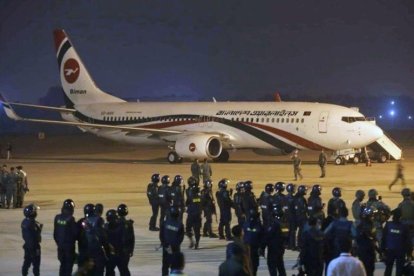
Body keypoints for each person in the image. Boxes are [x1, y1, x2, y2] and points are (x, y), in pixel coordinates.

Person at [382, 208, 412, 276]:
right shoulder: (404, 227)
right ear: (401, 217)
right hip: (401, 251)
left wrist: (382, 251)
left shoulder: (388, 225)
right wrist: (409, 254)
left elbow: (383, 239)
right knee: (399, 270)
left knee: (388, 268)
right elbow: (408, 242)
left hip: (389, 250)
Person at [54, 199, 77, 276]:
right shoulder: (71, 219)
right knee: (68, 267)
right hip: (69, 248)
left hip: (60, 247)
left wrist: (59, 243)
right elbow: (75, 233)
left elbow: (55, 233)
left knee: (62, 266)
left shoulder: (57, 218)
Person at [263, 205, 288, 276]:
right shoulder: (285, 224)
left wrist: (262, 246)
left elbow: (268, 236)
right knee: (280, 266)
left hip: (273, 249)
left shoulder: (274, 224)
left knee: (272, 266)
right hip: (281, 248)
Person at [160, 206, 184, 276]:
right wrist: (176, 245)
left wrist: (164, 244)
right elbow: (181, 237)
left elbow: (161, 235)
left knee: (165, 265)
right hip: (175, 248)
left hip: (167, 247)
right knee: (174, 265)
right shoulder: (180, 224)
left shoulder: (164, 223)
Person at [105, 208, 129, 276]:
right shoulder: (122, 227)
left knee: (109, 271)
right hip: (120, 253)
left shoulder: (105, 227)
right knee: (124, 271)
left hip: (110, 254)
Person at [21, 203, 42, 276]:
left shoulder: (25, 221)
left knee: (26, 262)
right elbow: (34, 236)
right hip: (33, 247)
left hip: (27, 246)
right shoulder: (31, 224)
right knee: (36, 265)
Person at [355, 207, 377, 276]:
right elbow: (373, 237)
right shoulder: (370, 225)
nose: (373, 217)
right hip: (368, 250)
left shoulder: (359, 225)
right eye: (372, 215)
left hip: (362, 250)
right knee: (369, 269)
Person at [243, 209, 263, 275]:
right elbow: (261, 236)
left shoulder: (246, 224)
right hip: (254, 247)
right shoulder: (258, 225)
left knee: (247, 263)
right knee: (254, 264)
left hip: (247, 246)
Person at [117, 203, 134, 275]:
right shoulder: (129, 224)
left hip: (117, 250)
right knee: (124, 268)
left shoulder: (115, 223)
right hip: (126, 250)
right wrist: (131, 250)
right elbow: (132, 238)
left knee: (122, 268)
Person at [185, 178, 202, 249]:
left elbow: (196, 200)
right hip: (194, 212)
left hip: (194, 212)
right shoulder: (189, 190)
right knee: (190, 229)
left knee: (195, 229)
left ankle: (196, 243)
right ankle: (193, 241)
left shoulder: (194, 190)